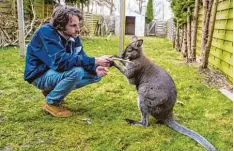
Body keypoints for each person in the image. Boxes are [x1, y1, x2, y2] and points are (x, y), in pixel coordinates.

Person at [24, 5, 113, 117]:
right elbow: (60, 62)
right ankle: (51, 103)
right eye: (73, 25)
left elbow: (81, 56)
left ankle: (51, 92)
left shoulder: (73, 36)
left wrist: (95, 67)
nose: (78, 29)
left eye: (78, 24)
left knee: (96, 74)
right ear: (60, 25)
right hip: (39, 75)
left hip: (54, 71)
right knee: (77, 72)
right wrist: (95, 60)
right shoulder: (46, 32)